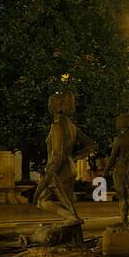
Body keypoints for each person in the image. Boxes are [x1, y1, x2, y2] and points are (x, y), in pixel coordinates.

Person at [29, 92, 95, 247]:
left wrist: (47, 176)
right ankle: (75, 241)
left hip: (58, 170)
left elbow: (57, 154)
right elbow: (91, 145)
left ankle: (70, 219)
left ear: (55, 107)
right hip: (69, 168)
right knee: (68, 203)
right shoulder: (71, 126)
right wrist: (73, 157)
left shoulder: (57, 125)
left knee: (42, 201)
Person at [104, 112, 129, 228]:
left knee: (123, 197)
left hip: (121, 169)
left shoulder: (119, 139)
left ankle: (125, 221)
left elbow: (113, 157)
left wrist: (105, 172)